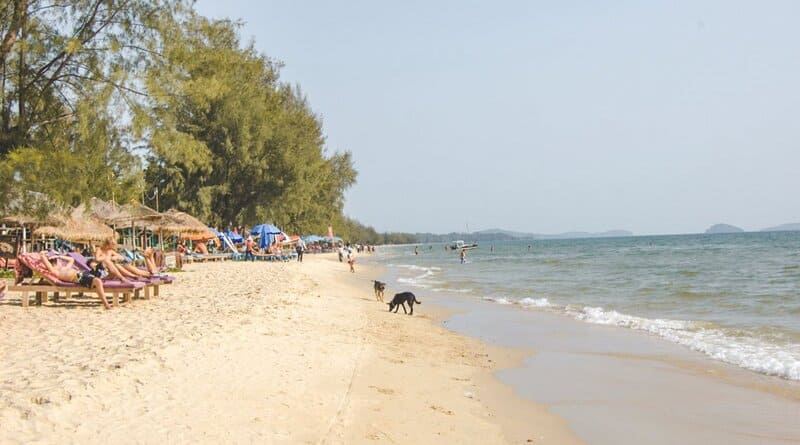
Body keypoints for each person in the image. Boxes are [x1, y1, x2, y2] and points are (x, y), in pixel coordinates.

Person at [40, 252, 111, 309]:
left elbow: (71, 259)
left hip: (85, 273)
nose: (58, 261)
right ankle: (106, 304)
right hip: (79, 277)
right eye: (56, 260)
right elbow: (44, 259)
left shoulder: (64, 267)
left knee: (104, 263)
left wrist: (59, 256)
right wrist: (43, 256)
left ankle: (117, 278)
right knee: (98, 281)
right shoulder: (55, 271)